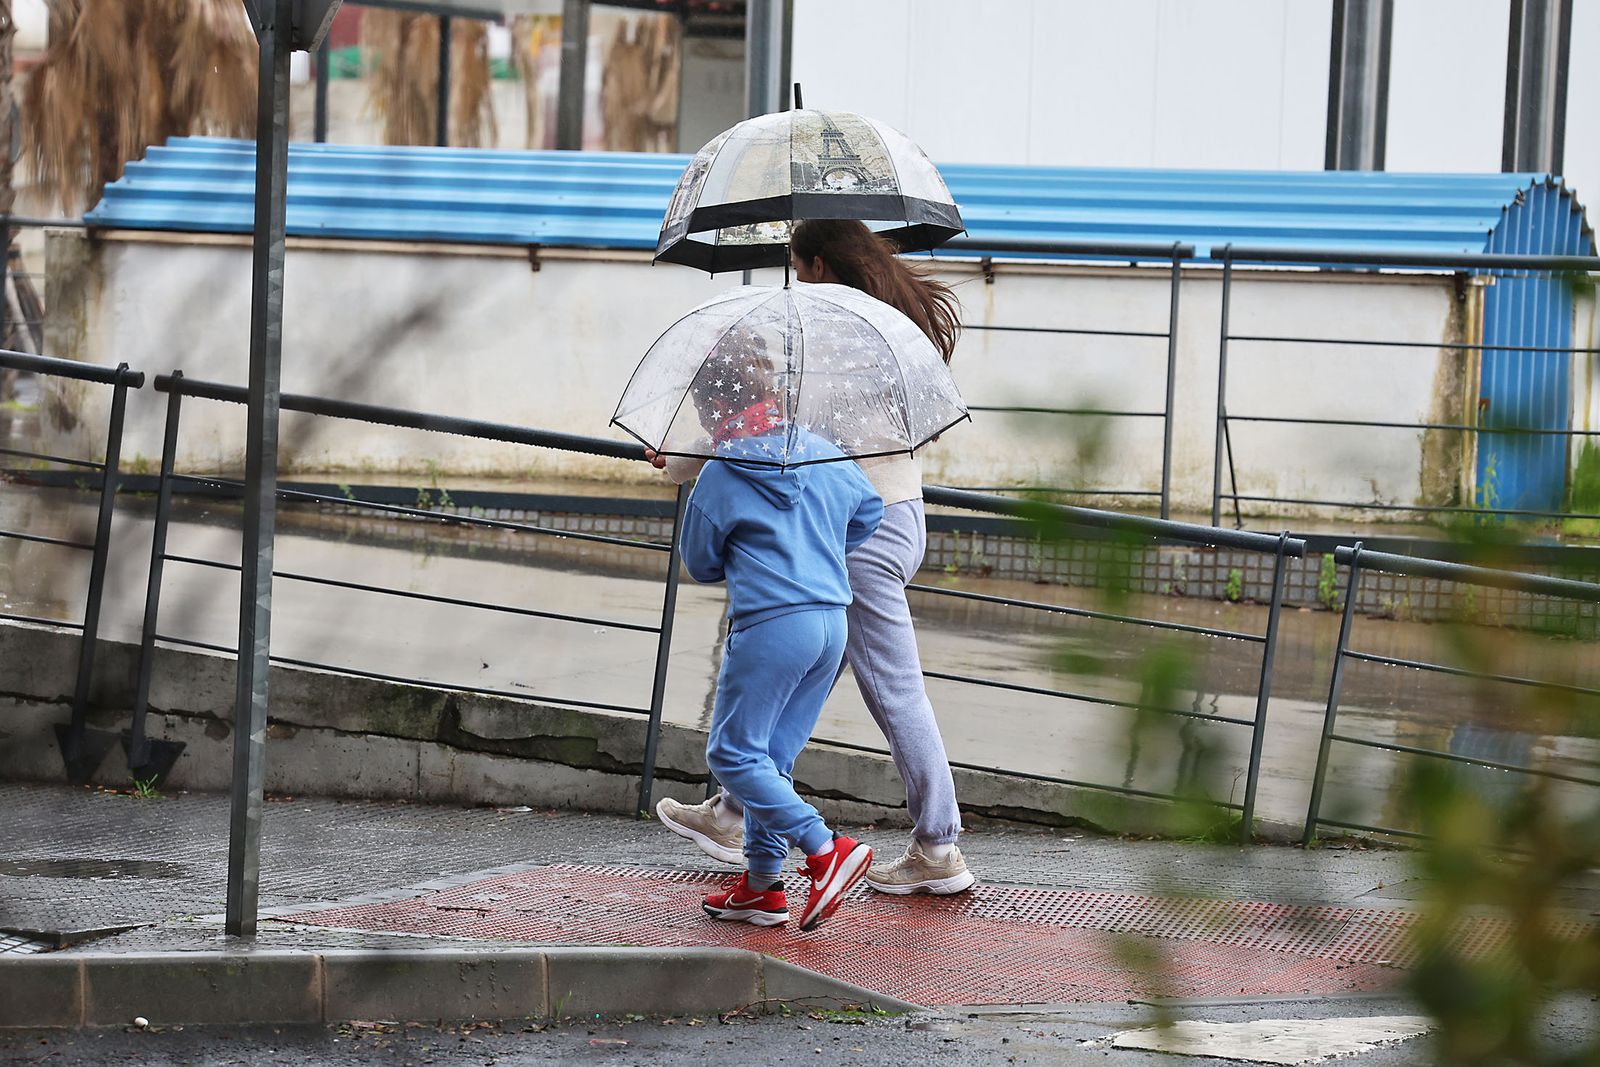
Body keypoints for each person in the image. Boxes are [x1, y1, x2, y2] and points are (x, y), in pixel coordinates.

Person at [655, 218, 976, 897]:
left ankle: (939, 844)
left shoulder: (833, 344)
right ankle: (737, 810)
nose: (796, 282)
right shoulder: (879, 327)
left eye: (799, 269)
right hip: (896, 512)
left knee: (891, 686)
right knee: (802, 676)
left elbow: (767, 425)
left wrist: (677, 465)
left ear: (822, 265)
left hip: (862, 528)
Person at [678, 327, 884, 931]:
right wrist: (817, 547)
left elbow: (701, 563)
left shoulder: (720, 473)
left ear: (711, 405)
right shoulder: (819, 447)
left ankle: (825, 851)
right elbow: (868, 511)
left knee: (732, 751)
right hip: (831, 623)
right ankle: (763, 887)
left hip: (771, 626)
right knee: (773, 756)